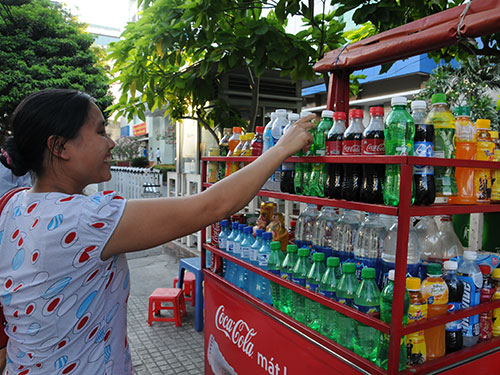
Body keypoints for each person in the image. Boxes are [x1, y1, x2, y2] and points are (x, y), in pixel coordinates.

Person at [0, 89, 316, 374]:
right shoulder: (85, 220)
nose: (110, 142)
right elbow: (210, 206)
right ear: (59, 147)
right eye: (99, 132)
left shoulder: (12, 206)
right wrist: (282, 148)